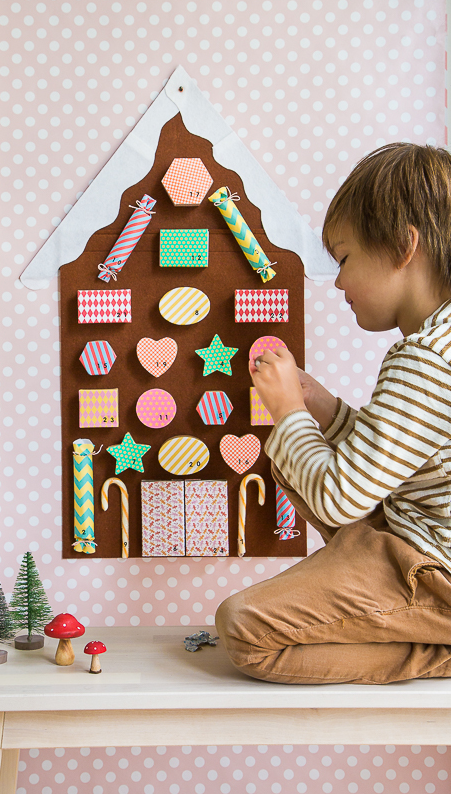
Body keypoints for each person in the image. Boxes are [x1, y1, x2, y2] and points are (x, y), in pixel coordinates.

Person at [215, 142, 451, 685]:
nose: (338, 283)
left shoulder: (425, 358)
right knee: (296, 461)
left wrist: (288, 412)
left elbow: (337, 498)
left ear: (402, 245)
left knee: (245, 630)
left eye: (344, 259)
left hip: (432, 571)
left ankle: (433, 650)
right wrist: (324, 409)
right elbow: (398, 456)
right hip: (414, 539)